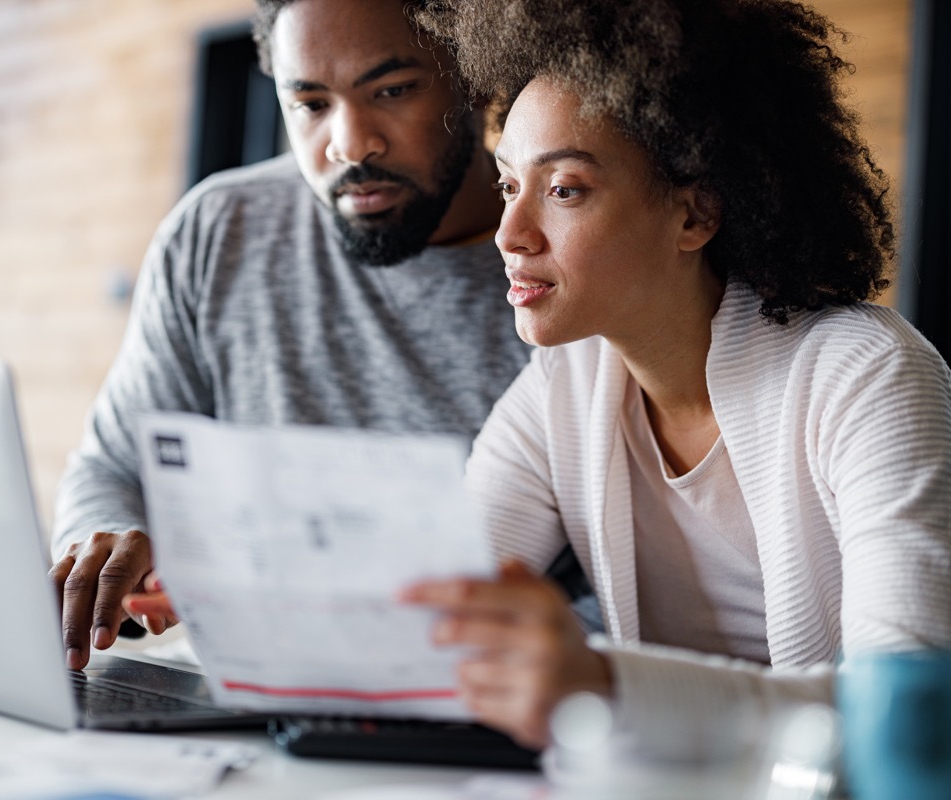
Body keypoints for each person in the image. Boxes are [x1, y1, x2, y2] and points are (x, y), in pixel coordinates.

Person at [400, 0, 951, 759]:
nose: (509, 234)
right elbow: (426, 617)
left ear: (695, 215)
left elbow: (910, 713)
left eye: (563, 189)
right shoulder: (564, 382)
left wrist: (605, 684)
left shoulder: (868, 373)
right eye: (506, 186)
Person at [50, 0, 577, 672]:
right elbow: (114, 466)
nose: (349, 145)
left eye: (392, 90)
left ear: (473, 78)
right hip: (241, 683)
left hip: (479, 691)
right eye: (310, 104)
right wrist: (106, 540)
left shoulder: (562, 268)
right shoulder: (221, 230)